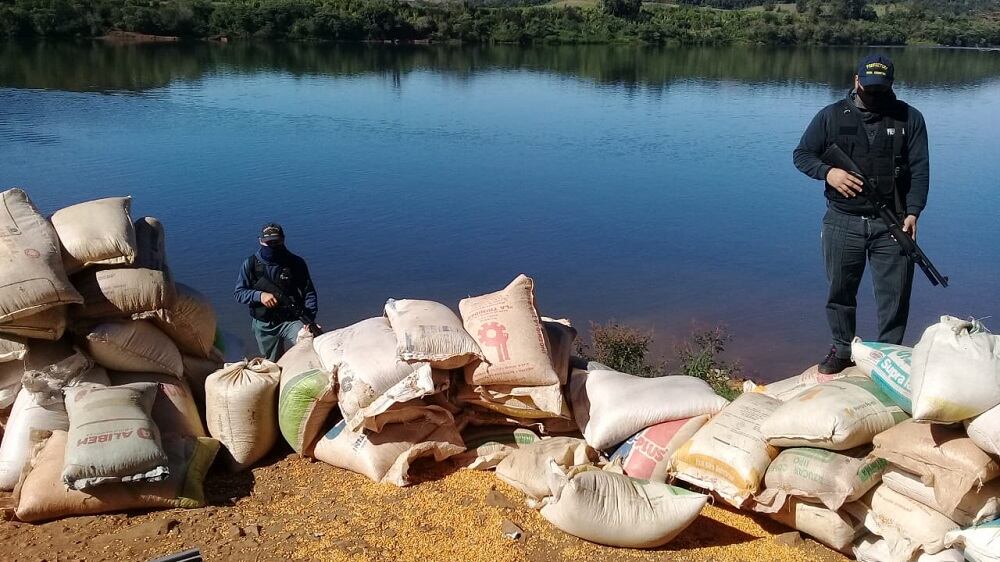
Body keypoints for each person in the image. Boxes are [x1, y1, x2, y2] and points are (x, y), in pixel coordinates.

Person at [793, 54, 930, 375]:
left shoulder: (910, 118)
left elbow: (921, 170)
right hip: (842, 220)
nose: (874, 95)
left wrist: (914, 212)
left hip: (893, 223)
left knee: (894, 297)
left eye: (881, 90)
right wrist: (828, 173)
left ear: (891, 86)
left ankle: (888, 356)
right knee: (840, 292)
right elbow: (802, 154)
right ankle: (842, 350)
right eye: (869, 89)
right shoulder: (830, 116)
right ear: (856, 81)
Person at [234, 223, 319, 361]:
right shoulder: (250, 264)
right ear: (260, 241)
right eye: (269, 242)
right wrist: (260, 296)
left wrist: (310, 320)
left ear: (283, 240)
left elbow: (309, 292)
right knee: (273, 363)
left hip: (291, 320)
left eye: (276, 242)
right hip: (265, 324)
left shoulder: (296, 263)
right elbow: (239, 293)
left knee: (309, 346)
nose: (273, 246)